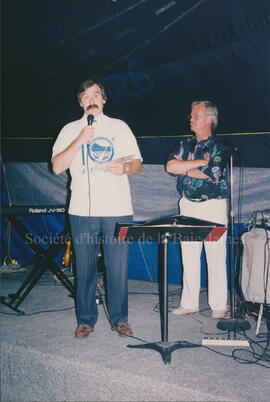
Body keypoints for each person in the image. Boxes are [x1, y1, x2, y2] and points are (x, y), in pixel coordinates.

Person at [52, 79, 142, 337]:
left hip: (117, 207)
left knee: (118, 266)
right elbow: (57, 166)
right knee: (84, 267)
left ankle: (120, 318)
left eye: (96, 95)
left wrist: (124, 168)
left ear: (104, 99)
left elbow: (137, 163)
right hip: (82, 209)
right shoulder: (70, 130)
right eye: (86, 96)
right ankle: (86, 319)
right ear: (80, 102)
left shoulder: (119, 127)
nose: (91, 100)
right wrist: (81, 138)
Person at [166, 101, 229, 319]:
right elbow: (170, 167)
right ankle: (189, 303)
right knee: (189, 256)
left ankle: (219, 305)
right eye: (191, 115)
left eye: (195, 115)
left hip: (213, 206)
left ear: (209, 119)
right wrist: (201, 163)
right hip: (187, 204)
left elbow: (213, 174)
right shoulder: (183, 144)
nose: (190, 118)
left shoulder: (221, 147)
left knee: (216, 256)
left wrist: (186, 168)